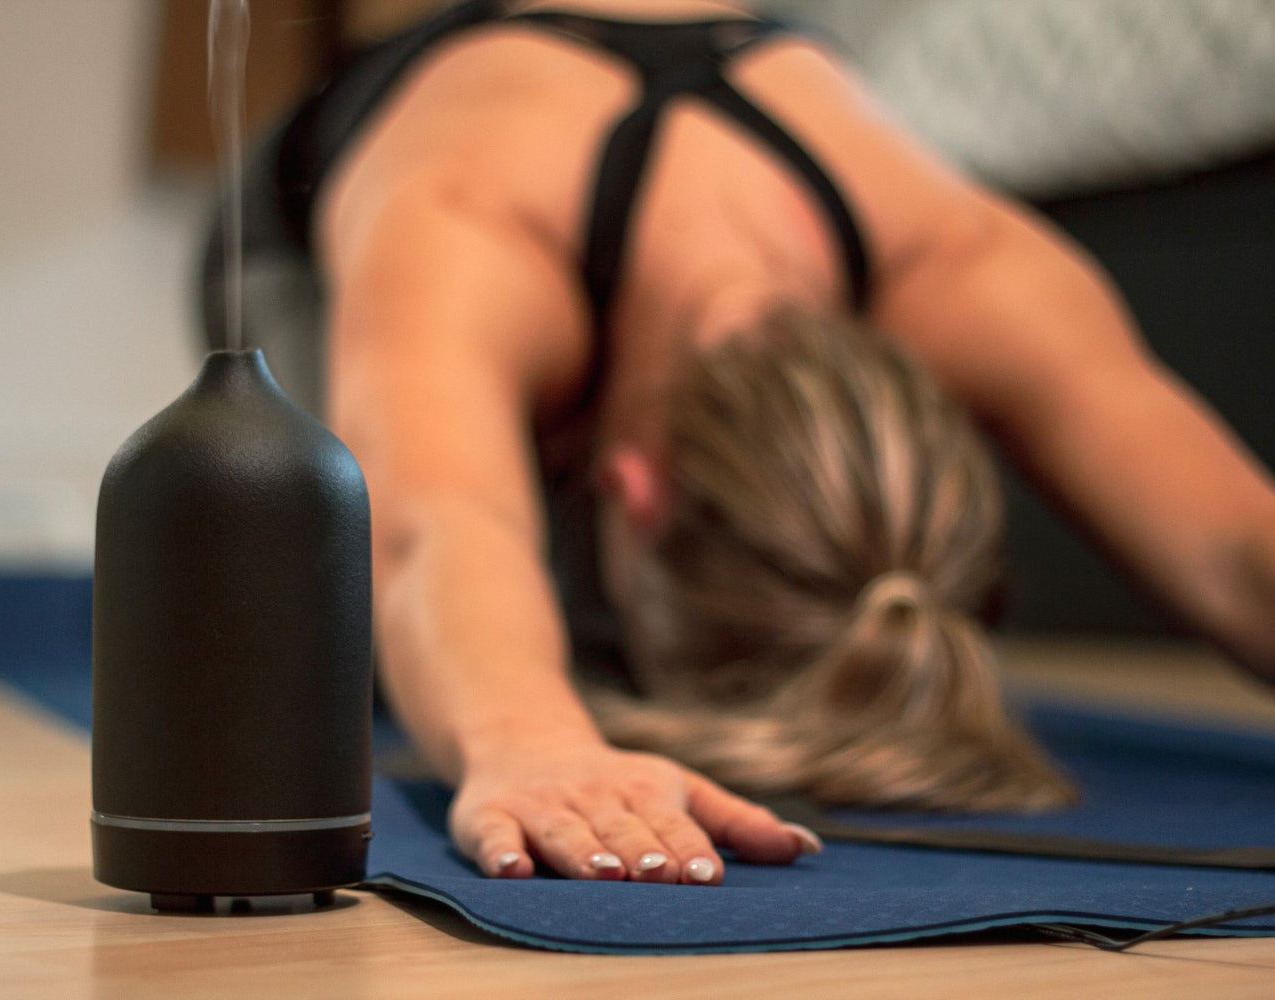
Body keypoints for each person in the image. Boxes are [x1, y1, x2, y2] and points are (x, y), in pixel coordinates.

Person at [210, 0, 1275, 885]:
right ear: (629, 491)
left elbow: (1233, 547)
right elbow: (436, 525)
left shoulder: (958, 262)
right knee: (349, 609)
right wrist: (528, 740)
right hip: (311, 216)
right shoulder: (469, 224)